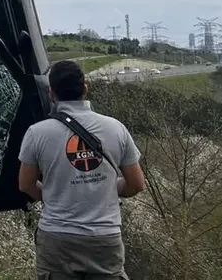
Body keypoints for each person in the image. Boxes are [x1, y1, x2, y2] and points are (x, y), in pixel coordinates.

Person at [18, 59, 146, 279]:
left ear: (52, 93)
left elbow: (25, 184)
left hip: (57, 239)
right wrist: (105, 189)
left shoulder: (36, 133)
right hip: (104, 238)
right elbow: (136, 184)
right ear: (85, 88)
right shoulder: (116, 128)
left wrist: (53, 196)